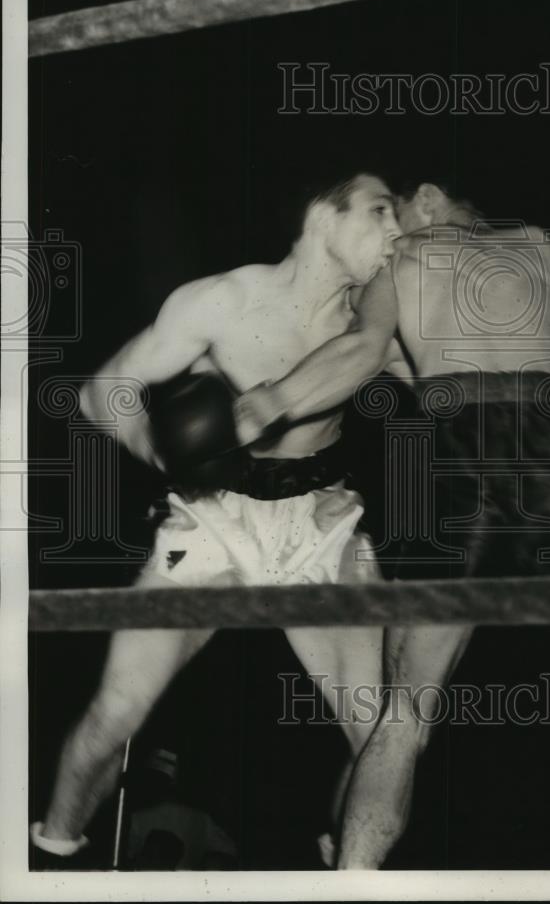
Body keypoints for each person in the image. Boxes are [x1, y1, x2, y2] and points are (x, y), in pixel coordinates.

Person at [234, 180, 550, 870]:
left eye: (396, 209)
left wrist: (266, 403)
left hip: (460, 450)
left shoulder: (407, 263)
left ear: (428, 198)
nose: (391, 227)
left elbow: (360, 353)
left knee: (403, 717)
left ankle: (353, 878)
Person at [30, 172, 402, 866]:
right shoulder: (222, 301)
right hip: (214, 520)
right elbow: (103, 392)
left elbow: (463, 388)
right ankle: (50, 855)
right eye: (381, 211)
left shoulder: (378, 326)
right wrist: (163, 452)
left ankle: (346, 866)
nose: (396, 232)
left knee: (381, 736)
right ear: (325, 214)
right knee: (114, 716)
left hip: (320, 526)